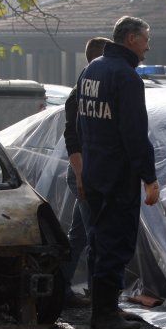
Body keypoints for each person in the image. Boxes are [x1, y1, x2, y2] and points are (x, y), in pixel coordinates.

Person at [76, 16, 160, 329]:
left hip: (95, 171)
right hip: (117, 176)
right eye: (145, 39)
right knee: (115, 243)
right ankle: (106, 316)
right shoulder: (125, 77)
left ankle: (105, 310)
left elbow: (82, 124)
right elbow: (134, 134)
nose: (148, 46)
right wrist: (149, 178)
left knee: (99, 242)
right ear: (130, 40)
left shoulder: (92, 69)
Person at [61, 36, 110, 309]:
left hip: (85, 171)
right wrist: (80, 178)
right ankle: (97, 295)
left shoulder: (89, 90)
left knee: (79, 235)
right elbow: (73, 139)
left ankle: (62, 287)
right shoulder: (81, 94)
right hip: (83, 172)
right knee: (96, 236)